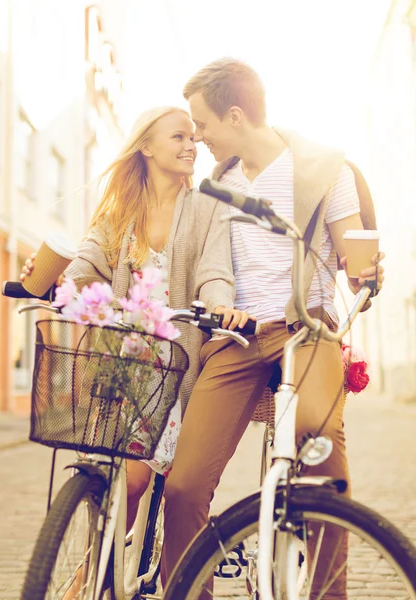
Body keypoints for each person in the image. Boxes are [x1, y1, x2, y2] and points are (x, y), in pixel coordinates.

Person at [161, 59, 385, 599]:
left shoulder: (326, 171)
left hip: (303, 329)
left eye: (203, 125)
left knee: (320, 441)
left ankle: (327, 593)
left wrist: (365, 272)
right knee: (184, 486)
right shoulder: (219, 186)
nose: (199, 138)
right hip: (235, 339)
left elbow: (354, 251)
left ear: (234, 115)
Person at [20, 105, 251, 599]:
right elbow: (86, 262)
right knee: (115, 478)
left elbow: (215, 269)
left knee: (133, 479)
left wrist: (221, 304)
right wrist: (55, 279)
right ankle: (96, 574)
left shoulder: (208, 205)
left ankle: (90, 581)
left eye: (193, 136)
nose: (191, 144)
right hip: (119, 360)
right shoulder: (119, 208)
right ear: (146, 147)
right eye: (178, 136)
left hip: (175, 365)